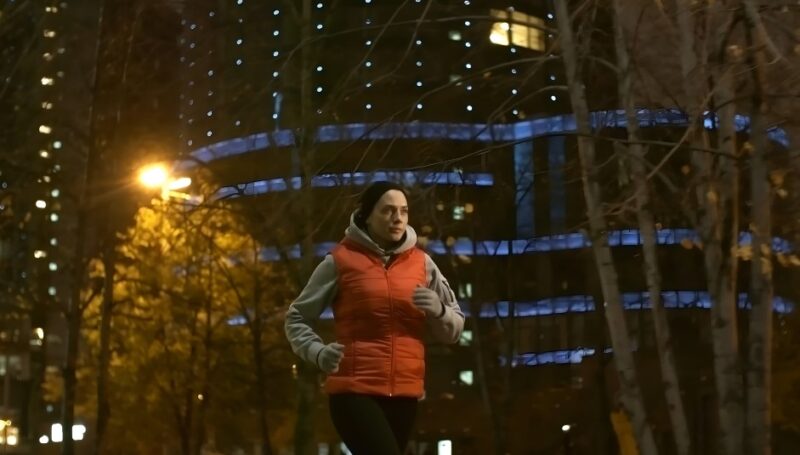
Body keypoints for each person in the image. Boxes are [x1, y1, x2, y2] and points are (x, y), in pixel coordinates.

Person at [284, 181, 465, 454]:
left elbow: (453, 332)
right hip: (355, 392)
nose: (398, 218)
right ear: (366, 215)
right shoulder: (340, 261)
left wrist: (439, 310)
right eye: (388, 211)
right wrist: (318, 352)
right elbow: (296, 317)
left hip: (405, 393)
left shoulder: (423, 264)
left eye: (404, 211)